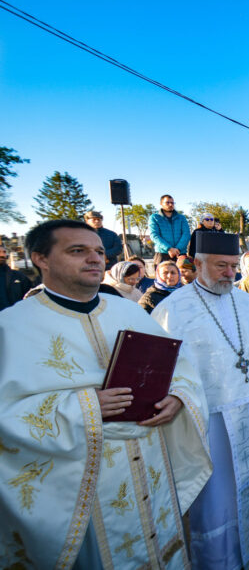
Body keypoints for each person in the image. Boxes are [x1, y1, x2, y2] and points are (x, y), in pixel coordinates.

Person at [0, 219, 210, 569]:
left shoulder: (129, 312)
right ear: (41, 259)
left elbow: (179, 368)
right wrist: (83, 406)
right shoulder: (11, 328)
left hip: (151, 464)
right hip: (83, 483)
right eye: (77, 251)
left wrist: (178, 398)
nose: (95, 259)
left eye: (98, 251)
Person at [152, 231, 249, 569]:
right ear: (197, 265)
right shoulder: (173, 308)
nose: (231, 273)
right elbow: (161, 371)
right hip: (212, 415)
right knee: (219, 493)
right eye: (221, 266)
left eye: (233, 266)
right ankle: (221, 558)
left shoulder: (245, 301)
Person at [148, 194, 190, 265]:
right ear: (161, 204)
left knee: (183, 275)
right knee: (162, 275)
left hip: (180, 253)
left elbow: (186, 234)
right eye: (167, 202)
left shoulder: (181, 218)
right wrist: (169, 249)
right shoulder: (154, 217)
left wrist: (177, 249)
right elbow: (154, 235)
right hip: (162, 253)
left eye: (172, 203)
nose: (170, 204)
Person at [0, 242, 33, 311]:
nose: (3, 255)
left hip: (14, 318)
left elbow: (31, 297)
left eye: (4, 252)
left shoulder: (18, 276)